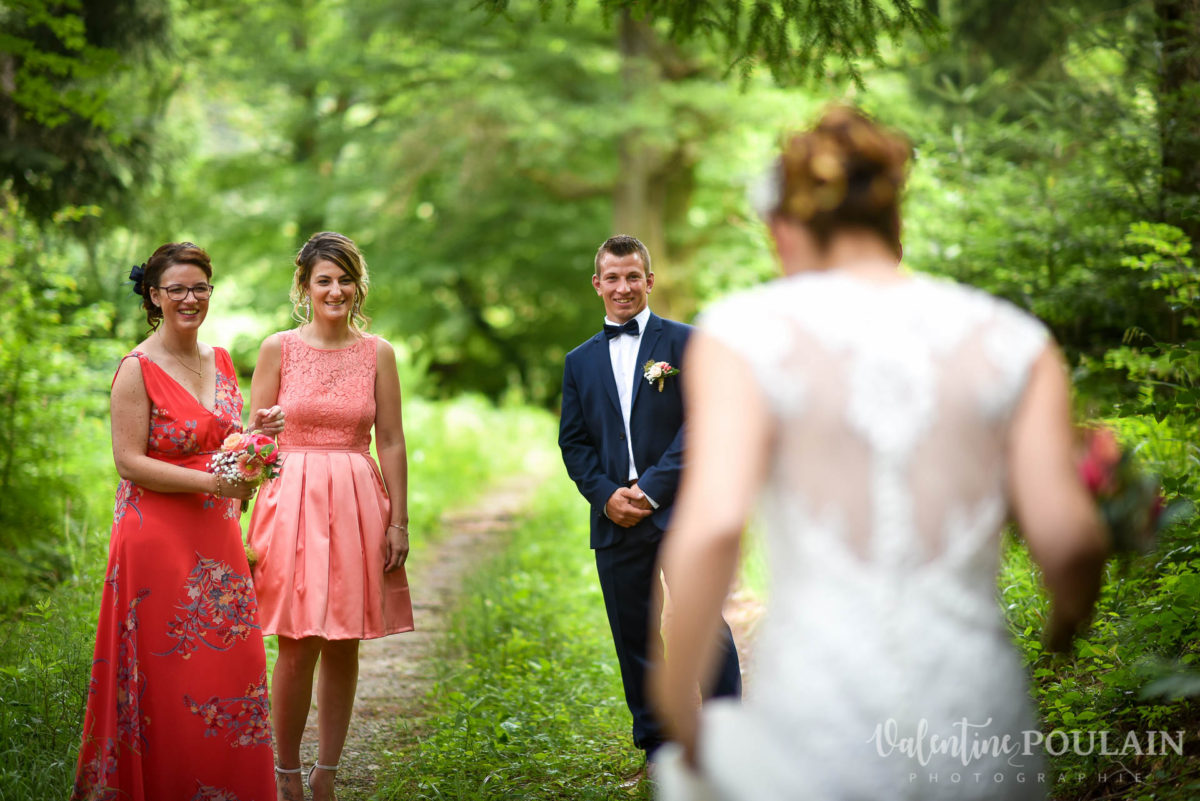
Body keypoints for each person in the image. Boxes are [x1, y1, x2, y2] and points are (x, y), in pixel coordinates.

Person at [649, 106, 1109, 801]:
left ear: (787, 227)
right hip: (975, 709)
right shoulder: (1014, 341)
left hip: (817, 705)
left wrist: (680, 707)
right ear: (894, 213)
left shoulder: (743, 334)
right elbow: (1071, 542)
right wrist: (1065, 624)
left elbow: (713, 526)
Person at [72, 242, 286, 800]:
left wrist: (257, 434)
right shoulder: (135, 369)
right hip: (157, 540)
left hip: (218, 535)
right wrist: (211, 483)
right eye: (177, 289)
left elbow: (221, 441)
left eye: (200, 288)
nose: (190, 298)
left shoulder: (220, 358)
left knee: (231, 668)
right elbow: (128, 462)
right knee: (168, 681)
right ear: (154, 295)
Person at [557, 234, 743, 776]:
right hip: (616, 516)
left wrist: (655, 486)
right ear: (597, 285)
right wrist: (605, 494)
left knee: (704, 624)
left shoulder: (686, 344)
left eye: (632, 276)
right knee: (634, 634)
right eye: (612, 278)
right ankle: (659, 749)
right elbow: (574, 442)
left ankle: (727, 741)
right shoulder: (579, 362)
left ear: (649, 281)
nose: (622, 287)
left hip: (682, 508)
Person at [246, 231, 413, 801]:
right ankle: (287, 772)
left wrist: (399, 521)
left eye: (345, 279)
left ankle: (327, 774)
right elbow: (252, 439)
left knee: (345, 639)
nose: (335, 289)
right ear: (305, 286)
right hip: (290, 500)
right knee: (297, 641)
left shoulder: (378, 352)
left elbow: (390, 439)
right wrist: (255, 447)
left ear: (357, 285)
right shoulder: (278, 349)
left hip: (357, 498)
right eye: (324, 280)